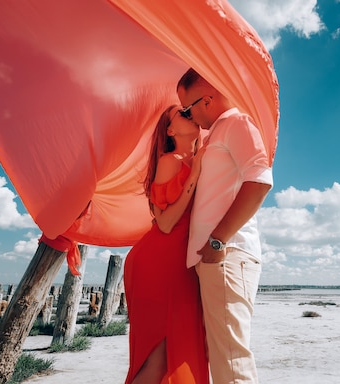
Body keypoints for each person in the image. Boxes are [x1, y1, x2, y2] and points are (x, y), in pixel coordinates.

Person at [177, 68, 273, 383]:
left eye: (187, 110)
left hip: (226, 255)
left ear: (207, 100)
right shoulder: (217, 132)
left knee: (231, 361)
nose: (188, 118)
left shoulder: (236, 123)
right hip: (217, 258)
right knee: (222, 357)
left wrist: (217, 242)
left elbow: (259, 182)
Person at [123, 104, 209, 384]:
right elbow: (166, 223)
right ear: (171, 130)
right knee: (157, 357)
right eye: (182, 114)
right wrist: (194, 176)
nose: (189, 114)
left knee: (178, 351)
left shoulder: (197, 158)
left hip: (178, 263)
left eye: (189, 111)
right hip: (157, 262)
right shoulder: (171, 159)